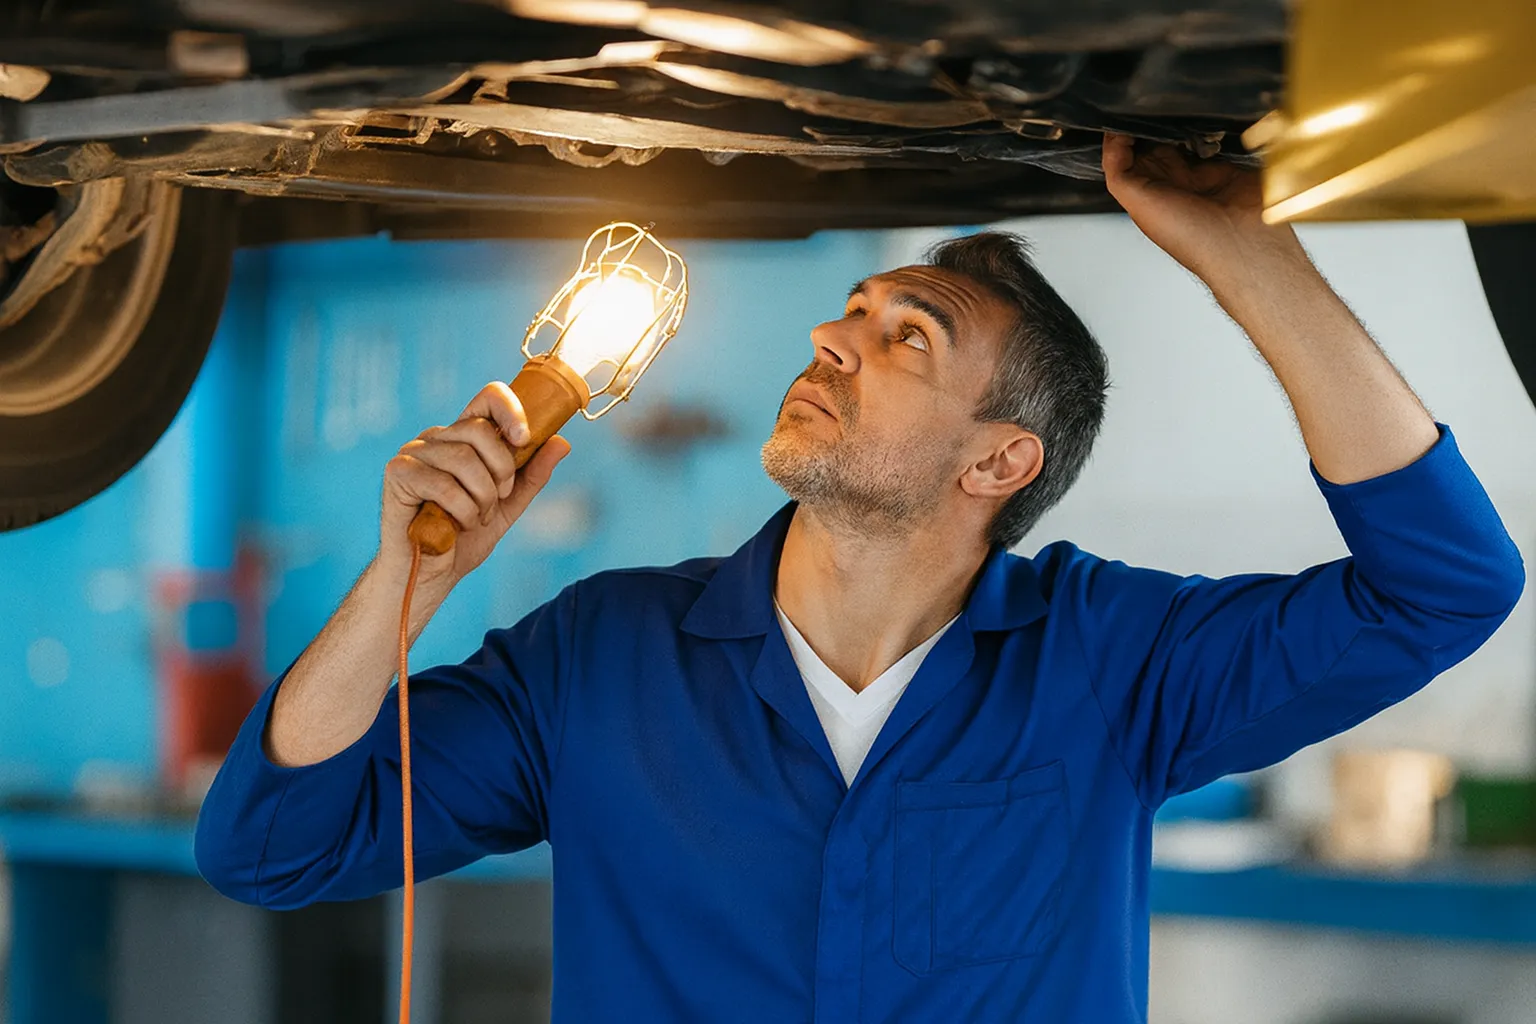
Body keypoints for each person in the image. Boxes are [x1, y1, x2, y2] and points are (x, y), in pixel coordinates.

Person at [196, 135, 1523, 1022]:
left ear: (1000, 460)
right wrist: (405, 587)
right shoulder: (600, 655)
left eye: (905, 337)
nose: (834, 336)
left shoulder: (1115, 660)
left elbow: (1445, 584)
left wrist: (1254, 256)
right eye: (852, 310)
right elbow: (272, 845)